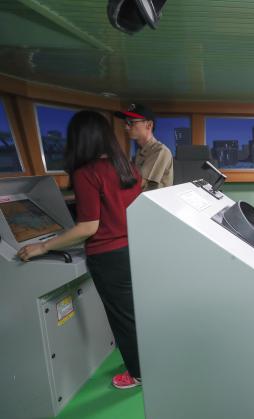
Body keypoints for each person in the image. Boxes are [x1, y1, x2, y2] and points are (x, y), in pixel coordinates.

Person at [18, 110, 143, 389]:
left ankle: (137, 373)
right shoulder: (128, 168)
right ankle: (146, 361)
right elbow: (119, 203)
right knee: (135, 313)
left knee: (122, 318)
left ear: (79, 140)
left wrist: (42, 246)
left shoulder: (86, 173)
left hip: (108, 257)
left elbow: (87, 227)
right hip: (133, 249)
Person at [116, 103, 173, 191]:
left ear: (149, 125)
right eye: (125, 122)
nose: (126, 127)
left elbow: (139, 183)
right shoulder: (140, 150)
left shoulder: (160, 151)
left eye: (131, 122)